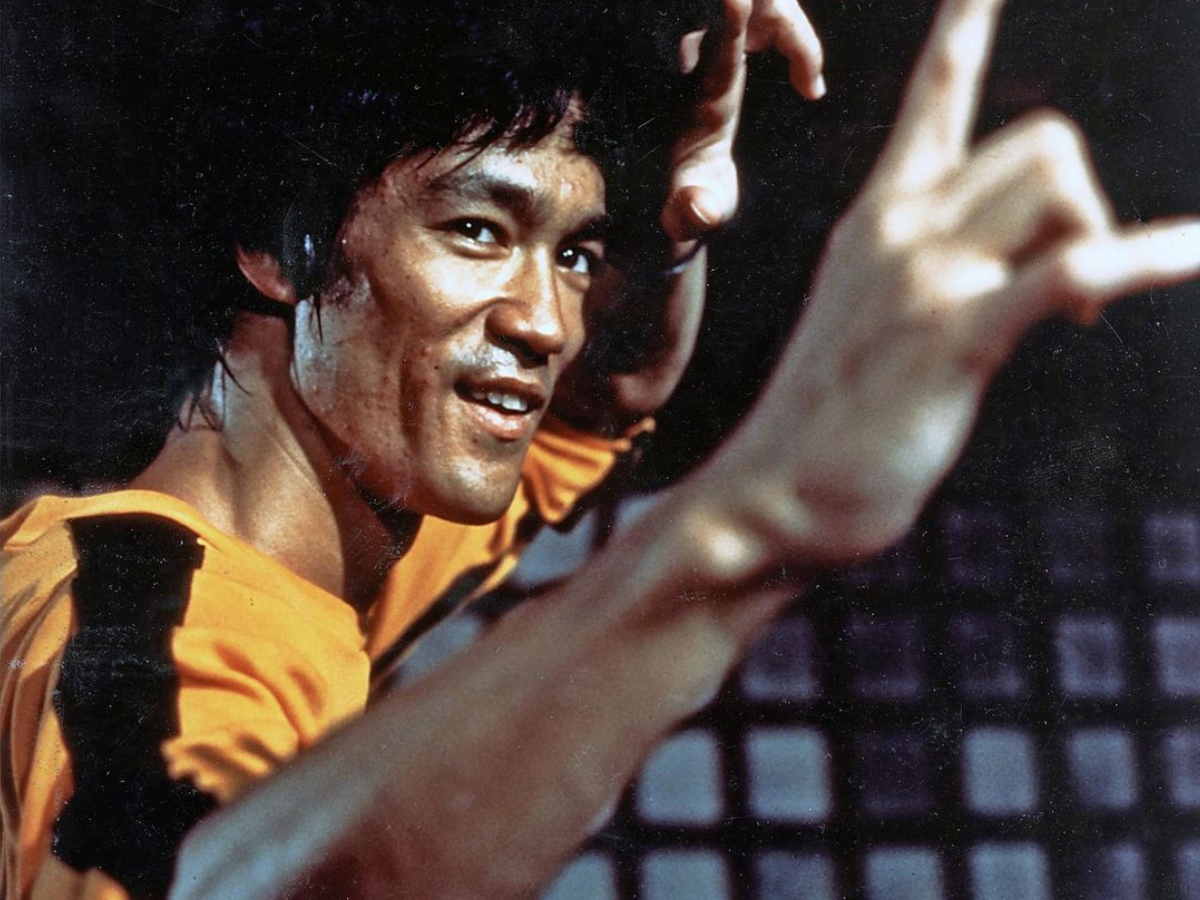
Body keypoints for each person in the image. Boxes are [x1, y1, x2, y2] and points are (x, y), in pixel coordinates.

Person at [3, 0, 1198, 898]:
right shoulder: (133, 621)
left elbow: (603, 399)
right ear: (283, 247)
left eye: (575, 255)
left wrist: (665, 236)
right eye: (479, 230)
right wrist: (756, 515)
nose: (548, 323)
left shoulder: (332, 532)